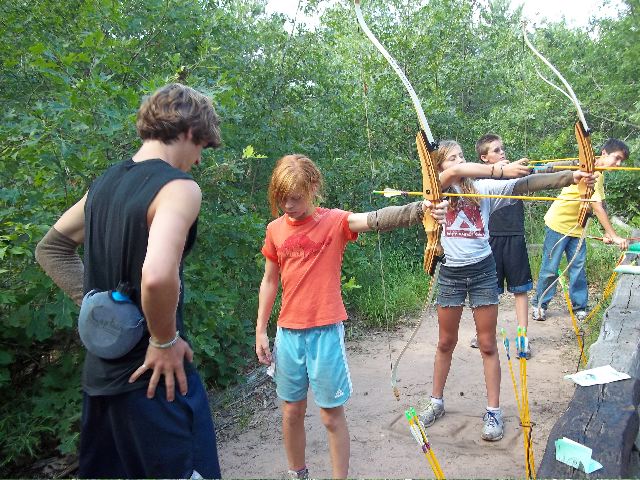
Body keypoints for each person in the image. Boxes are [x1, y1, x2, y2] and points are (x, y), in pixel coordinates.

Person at [35, 83, 222, 478]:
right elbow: (156, 276)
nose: (198, 160)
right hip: (157, 382)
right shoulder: (178, 188)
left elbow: (51, 248)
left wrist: (101, 309)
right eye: (202, 147)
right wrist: (163, 340)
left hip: (101, 382)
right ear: (190, 131)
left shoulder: (102, 185)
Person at [254, 154, 448, 479]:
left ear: (313, 187)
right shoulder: (275, 230)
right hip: (288, 334)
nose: (288, 205)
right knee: (291, 412)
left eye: (296, 197)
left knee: (331, 416)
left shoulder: (334, 221)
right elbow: (270, 280)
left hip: (325, 332)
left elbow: (375, 219)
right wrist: (261, 329)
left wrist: (421, 210)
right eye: (282, 198)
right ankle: (297, 473)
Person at [416, 140, 595, 442]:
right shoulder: (436, 193)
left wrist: (571, 176)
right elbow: (450, 177)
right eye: (451, 158)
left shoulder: (482, 188)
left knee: (487, 344)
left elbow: (527, 184)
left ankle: (493, 411)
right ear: (438, 167)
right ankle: (436, 402)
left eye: (461, 156)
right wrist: (499, 169)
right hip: (450, 274)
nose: (459, 162)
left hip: (483, 272)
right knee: (445, 342)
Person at [530, 138, 630, 322]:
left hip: (578, 227)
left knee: (578, 268)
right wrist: (615, 236)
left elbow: (601, 204)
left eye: (621, 161)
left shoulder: (600, 174)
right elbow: (596, 206)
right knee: (550, 268)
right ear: (604, 153)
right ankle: (539, 304)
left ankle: (580, 306)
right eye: (616, 158)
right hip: (558, 224)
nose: (618, 164)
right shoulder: (590, 171)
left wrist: (607, 232)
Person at [472, 134, 532, 358]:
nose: (502, 152)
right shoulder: (479, 180)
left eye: (502, 148)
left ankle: (523, 339)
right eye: (496, 150)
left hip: (515, 236)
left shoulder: (516, 173)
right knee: (489, 292)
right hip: (491, 239)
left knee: (520, 290)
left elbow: (541, 177)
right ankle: (483, 334)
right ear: (484, 157)